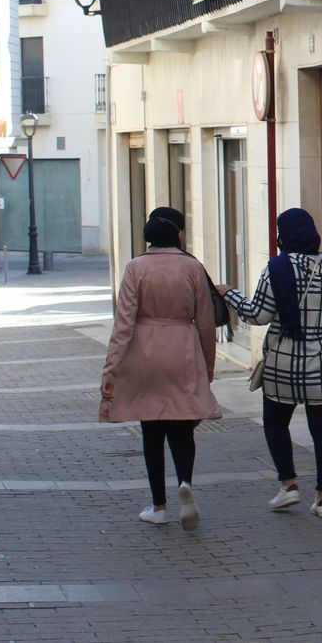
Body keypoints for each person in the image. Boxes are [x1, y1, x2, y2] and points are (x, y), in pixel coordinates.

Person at [218, 208, 322, 519]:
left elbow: (257, 314)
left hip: (285, 364)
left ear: (282, 235)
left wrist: (229, 294)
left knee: (275, 423)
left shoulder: (277, 268)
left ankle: (288, 485)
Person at [100, 206, 222, 529]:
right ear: (177, 233)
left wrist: (111, 371)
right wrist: (207, 367)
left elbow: (122, 324)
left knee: (151, 430)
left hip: (145, 352)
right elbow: (207, 324)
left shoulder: (135, 268)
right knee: (182, 428)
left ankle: (158, 505)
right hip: (183, 348)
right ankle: (185, 483)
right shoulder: (192, 268)